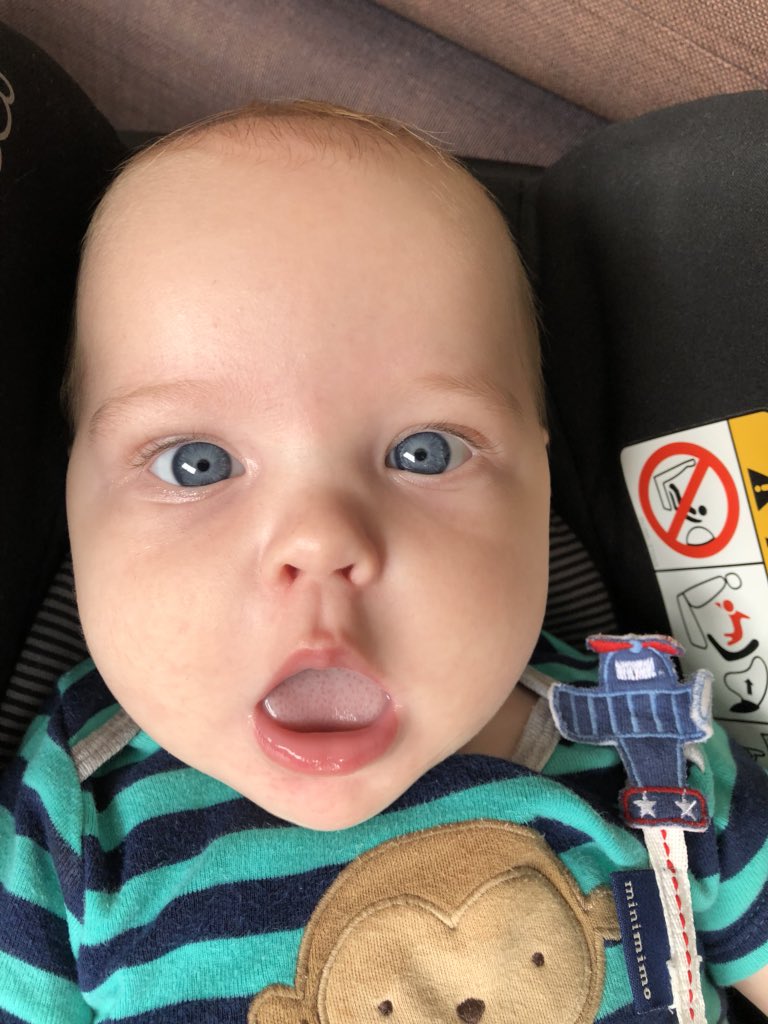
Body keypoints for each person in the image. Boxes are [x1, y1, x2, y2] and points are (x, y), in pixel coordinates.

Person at [1, 101, 766, 1024]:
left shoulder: (655, 752)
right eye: (194, 463)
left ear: (541, 486)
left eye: (425, 453)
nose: (320, 539)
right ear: (71, 499)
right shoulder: (70, 823)